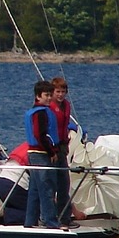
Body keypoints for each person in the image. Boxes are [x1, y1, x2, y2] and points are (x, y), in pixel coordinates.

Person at [23, 80, 60, 228]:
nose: (49, 98)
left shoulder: (34, 112)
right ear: (38, 96)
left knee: (35, 189)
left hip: (33, 153)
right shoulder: (40, 113)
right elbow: (40, 134)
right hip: (41, 153)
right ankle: (50, 221)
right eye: (46, 95)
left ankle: (30, 221)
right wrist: (51, 151)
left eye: (51, 95)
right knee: (46, 188)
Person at [47, 77, 77, 228]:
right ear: (52, 92)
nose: (60, 95)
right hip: (52, 148)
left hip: (63, 147)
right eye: (58, 92)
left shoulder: (66, 105)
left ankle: (65, 217)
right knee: (51, 184)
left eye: (63, 92)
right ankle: (49, 217)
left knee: (64, 184)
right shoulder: (49, 107)